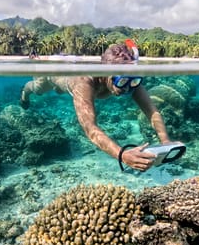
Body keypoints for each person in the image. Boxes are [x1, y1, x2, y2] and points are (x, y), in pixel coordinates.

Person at [20, 40, 180, 172]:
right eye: (122, 82)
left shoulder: (129, 78)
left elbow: (152, 111)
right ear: (105, 73)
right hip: (52, 75)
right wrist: (122, 154)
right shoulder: (84, 82)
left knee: (57, 90)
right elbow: (89, 127)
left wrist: (165, 141)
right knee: (37, 88)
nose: (127, 88)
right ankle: (25, 92)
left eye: (134, 81)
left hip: (69, 82)